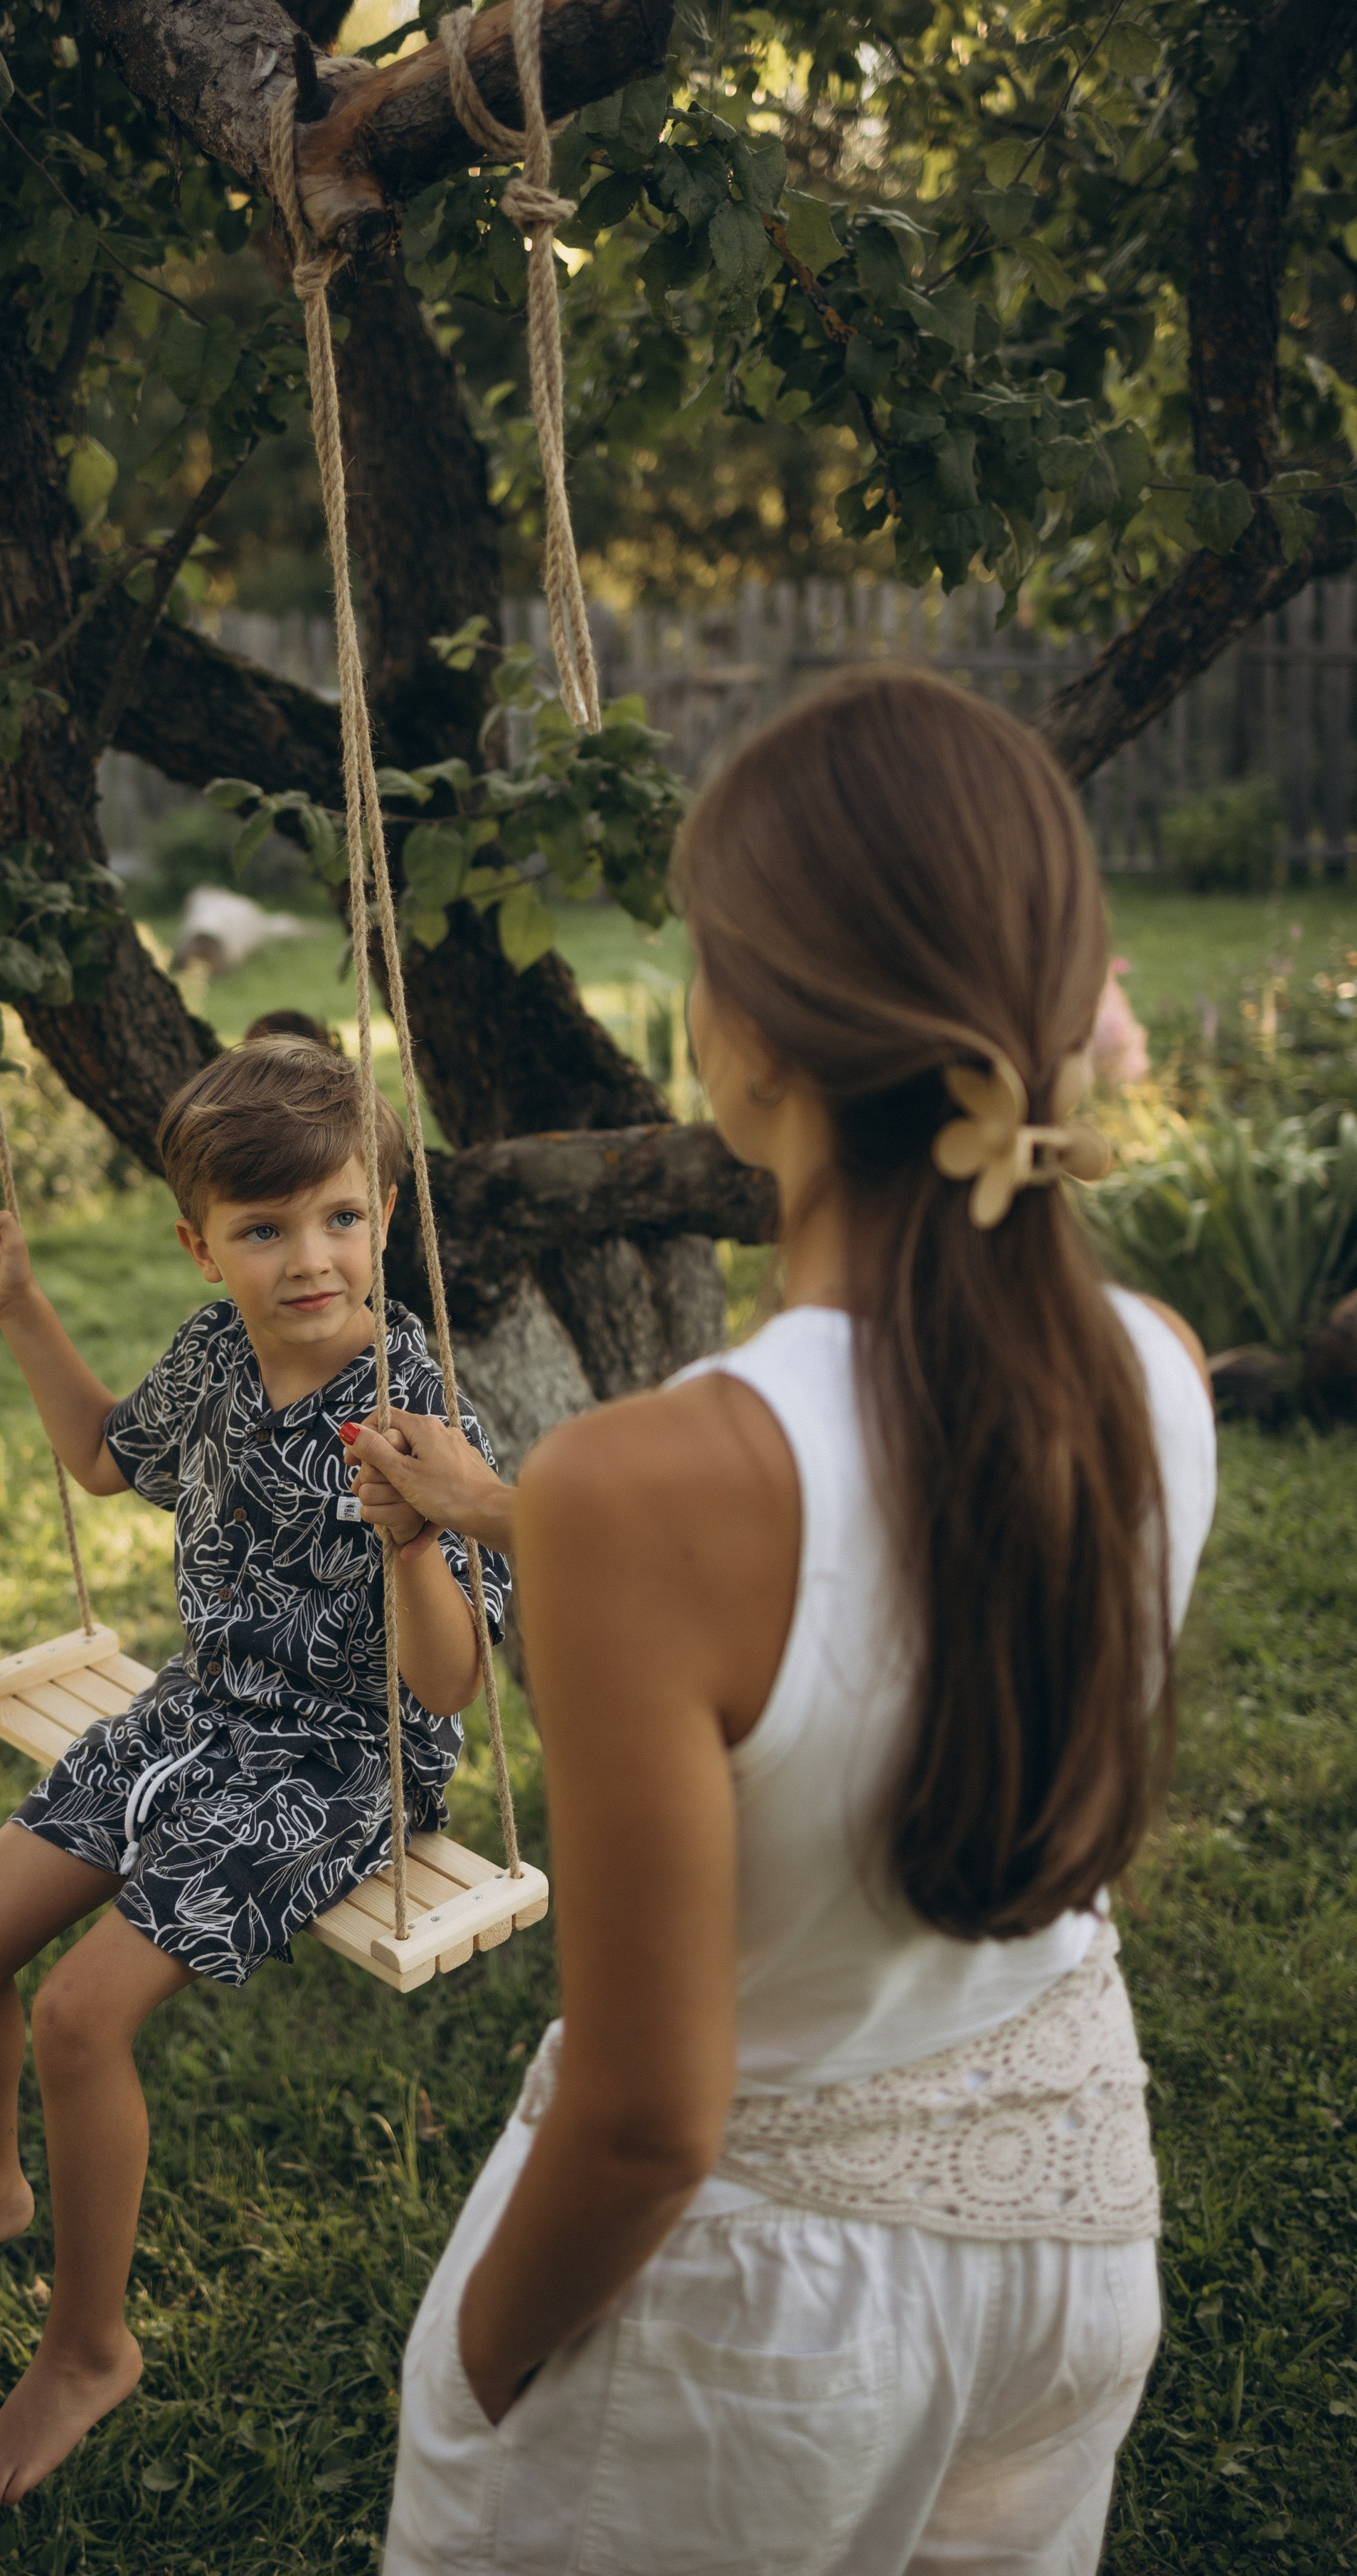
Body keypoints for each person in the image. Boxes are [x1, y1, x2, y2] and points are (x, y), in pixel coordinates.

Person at [377, 669, 1217, 2576]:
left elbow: (653, 2122)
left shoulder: (644, 1489)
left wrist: (474, 2374)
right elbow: (892, 1605)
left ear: (740, 1033)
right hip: (1076, 2254)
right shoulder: (1159, 1371)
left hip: (750, 2328)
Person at [0, 1034, 508, 2513]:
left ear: (382, 1214)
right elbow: (96, 1457)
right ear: (200, 1245)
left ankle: (87, 2347)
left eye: (336, 1218)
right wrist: (18, 1305)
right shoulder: (209, 1356)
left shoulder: (416, 1405)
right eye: (262, 1231)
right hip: (198, 1714)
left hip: (339, 1763)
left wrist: (407, 1533)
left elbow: (449, 1686)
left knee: (81, 2014)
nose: (308, 1260)